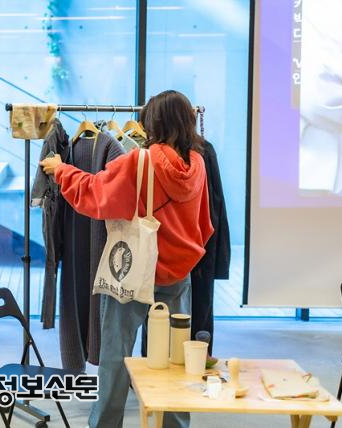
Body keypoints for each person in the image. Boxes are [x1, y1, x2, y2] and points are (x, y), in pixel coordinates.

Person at [40, 90, 213, 428]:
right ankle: (175, 424)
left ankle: (105, 424)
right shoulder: (198, 164)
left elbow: (95, 194)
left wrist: (61, 170)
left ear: (153, 123)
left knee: (115, 358)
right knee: (175, 358)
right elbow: (204, 224)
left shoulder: (141, 161)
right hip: (179, 274)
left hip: (133, 271)